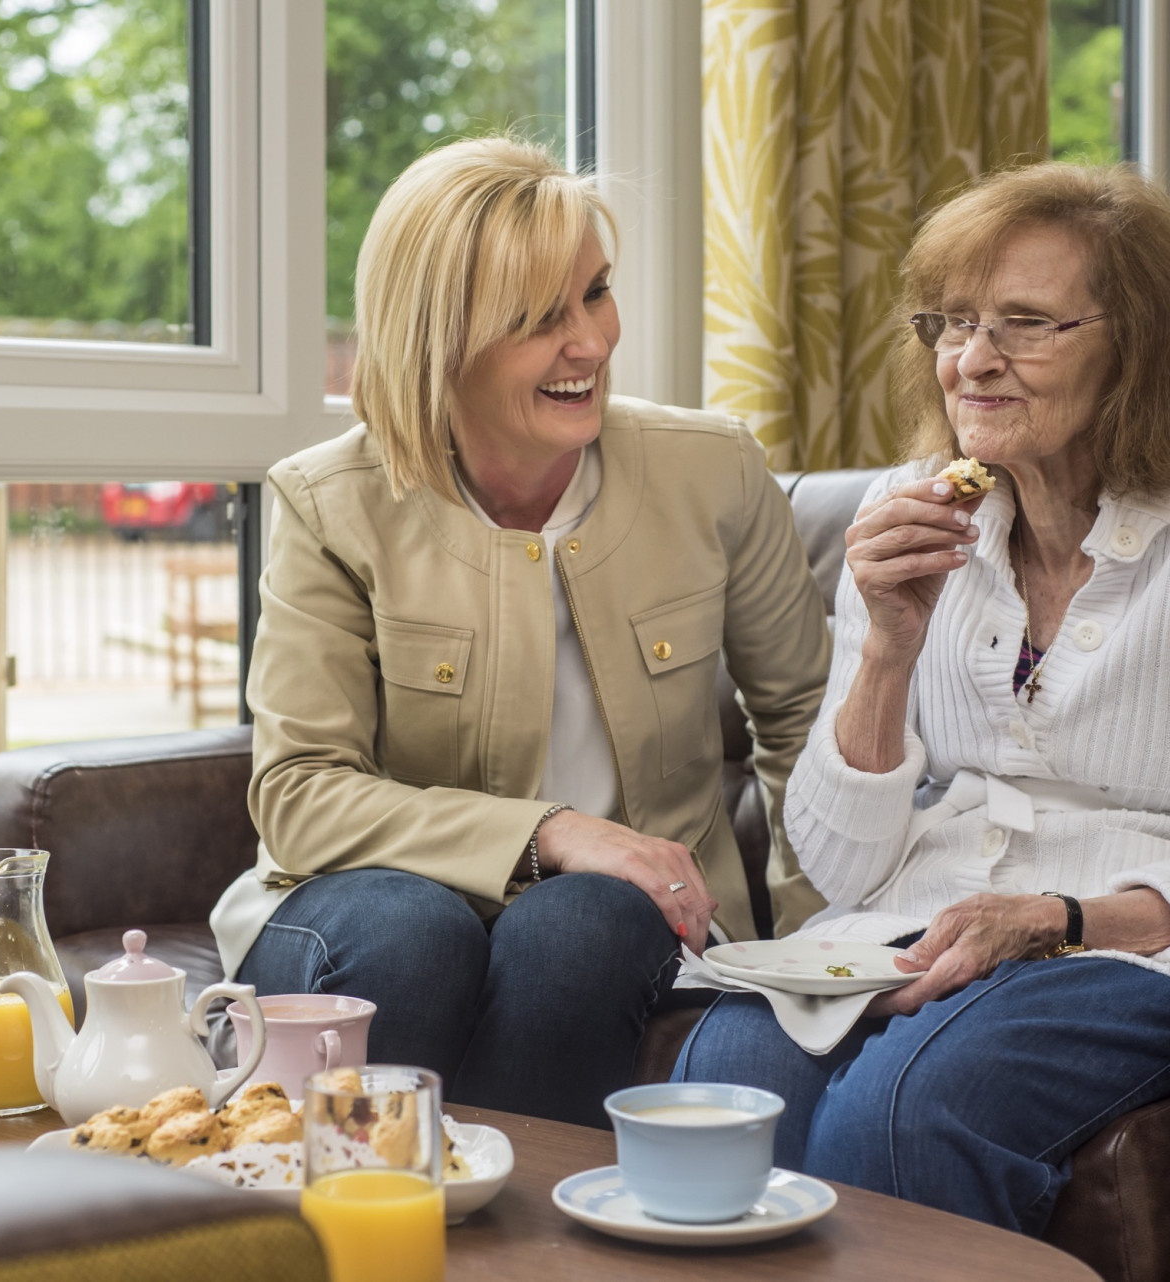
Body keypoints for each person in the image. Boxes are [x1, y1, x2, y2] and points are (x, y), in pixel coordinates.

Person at [675, 162, 1170, 1232]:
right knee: (724, 1077)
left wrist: (1061, 917)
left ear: (1136, 347)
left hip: (1135, 947)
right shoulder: (912, 512)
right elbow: (841, 863)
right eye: (951, 323)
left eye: (1025, 324)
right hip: (914, 922)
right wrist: (887, 649)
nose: (972, 359)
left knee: (906, 1109)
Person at [210, 137, 832, 1128]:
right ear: (438, 339)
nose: (589, 343)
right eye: (540, 319)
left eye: (596, 292)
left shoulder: (713, 472)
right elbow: (298, 795)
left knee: (586, 922)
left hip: (623, 925)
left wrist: (813, 955)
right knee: (417, 925)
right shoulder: (331, 501)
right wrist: (550, 832)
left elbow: (807, 725)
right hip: (372, 914)